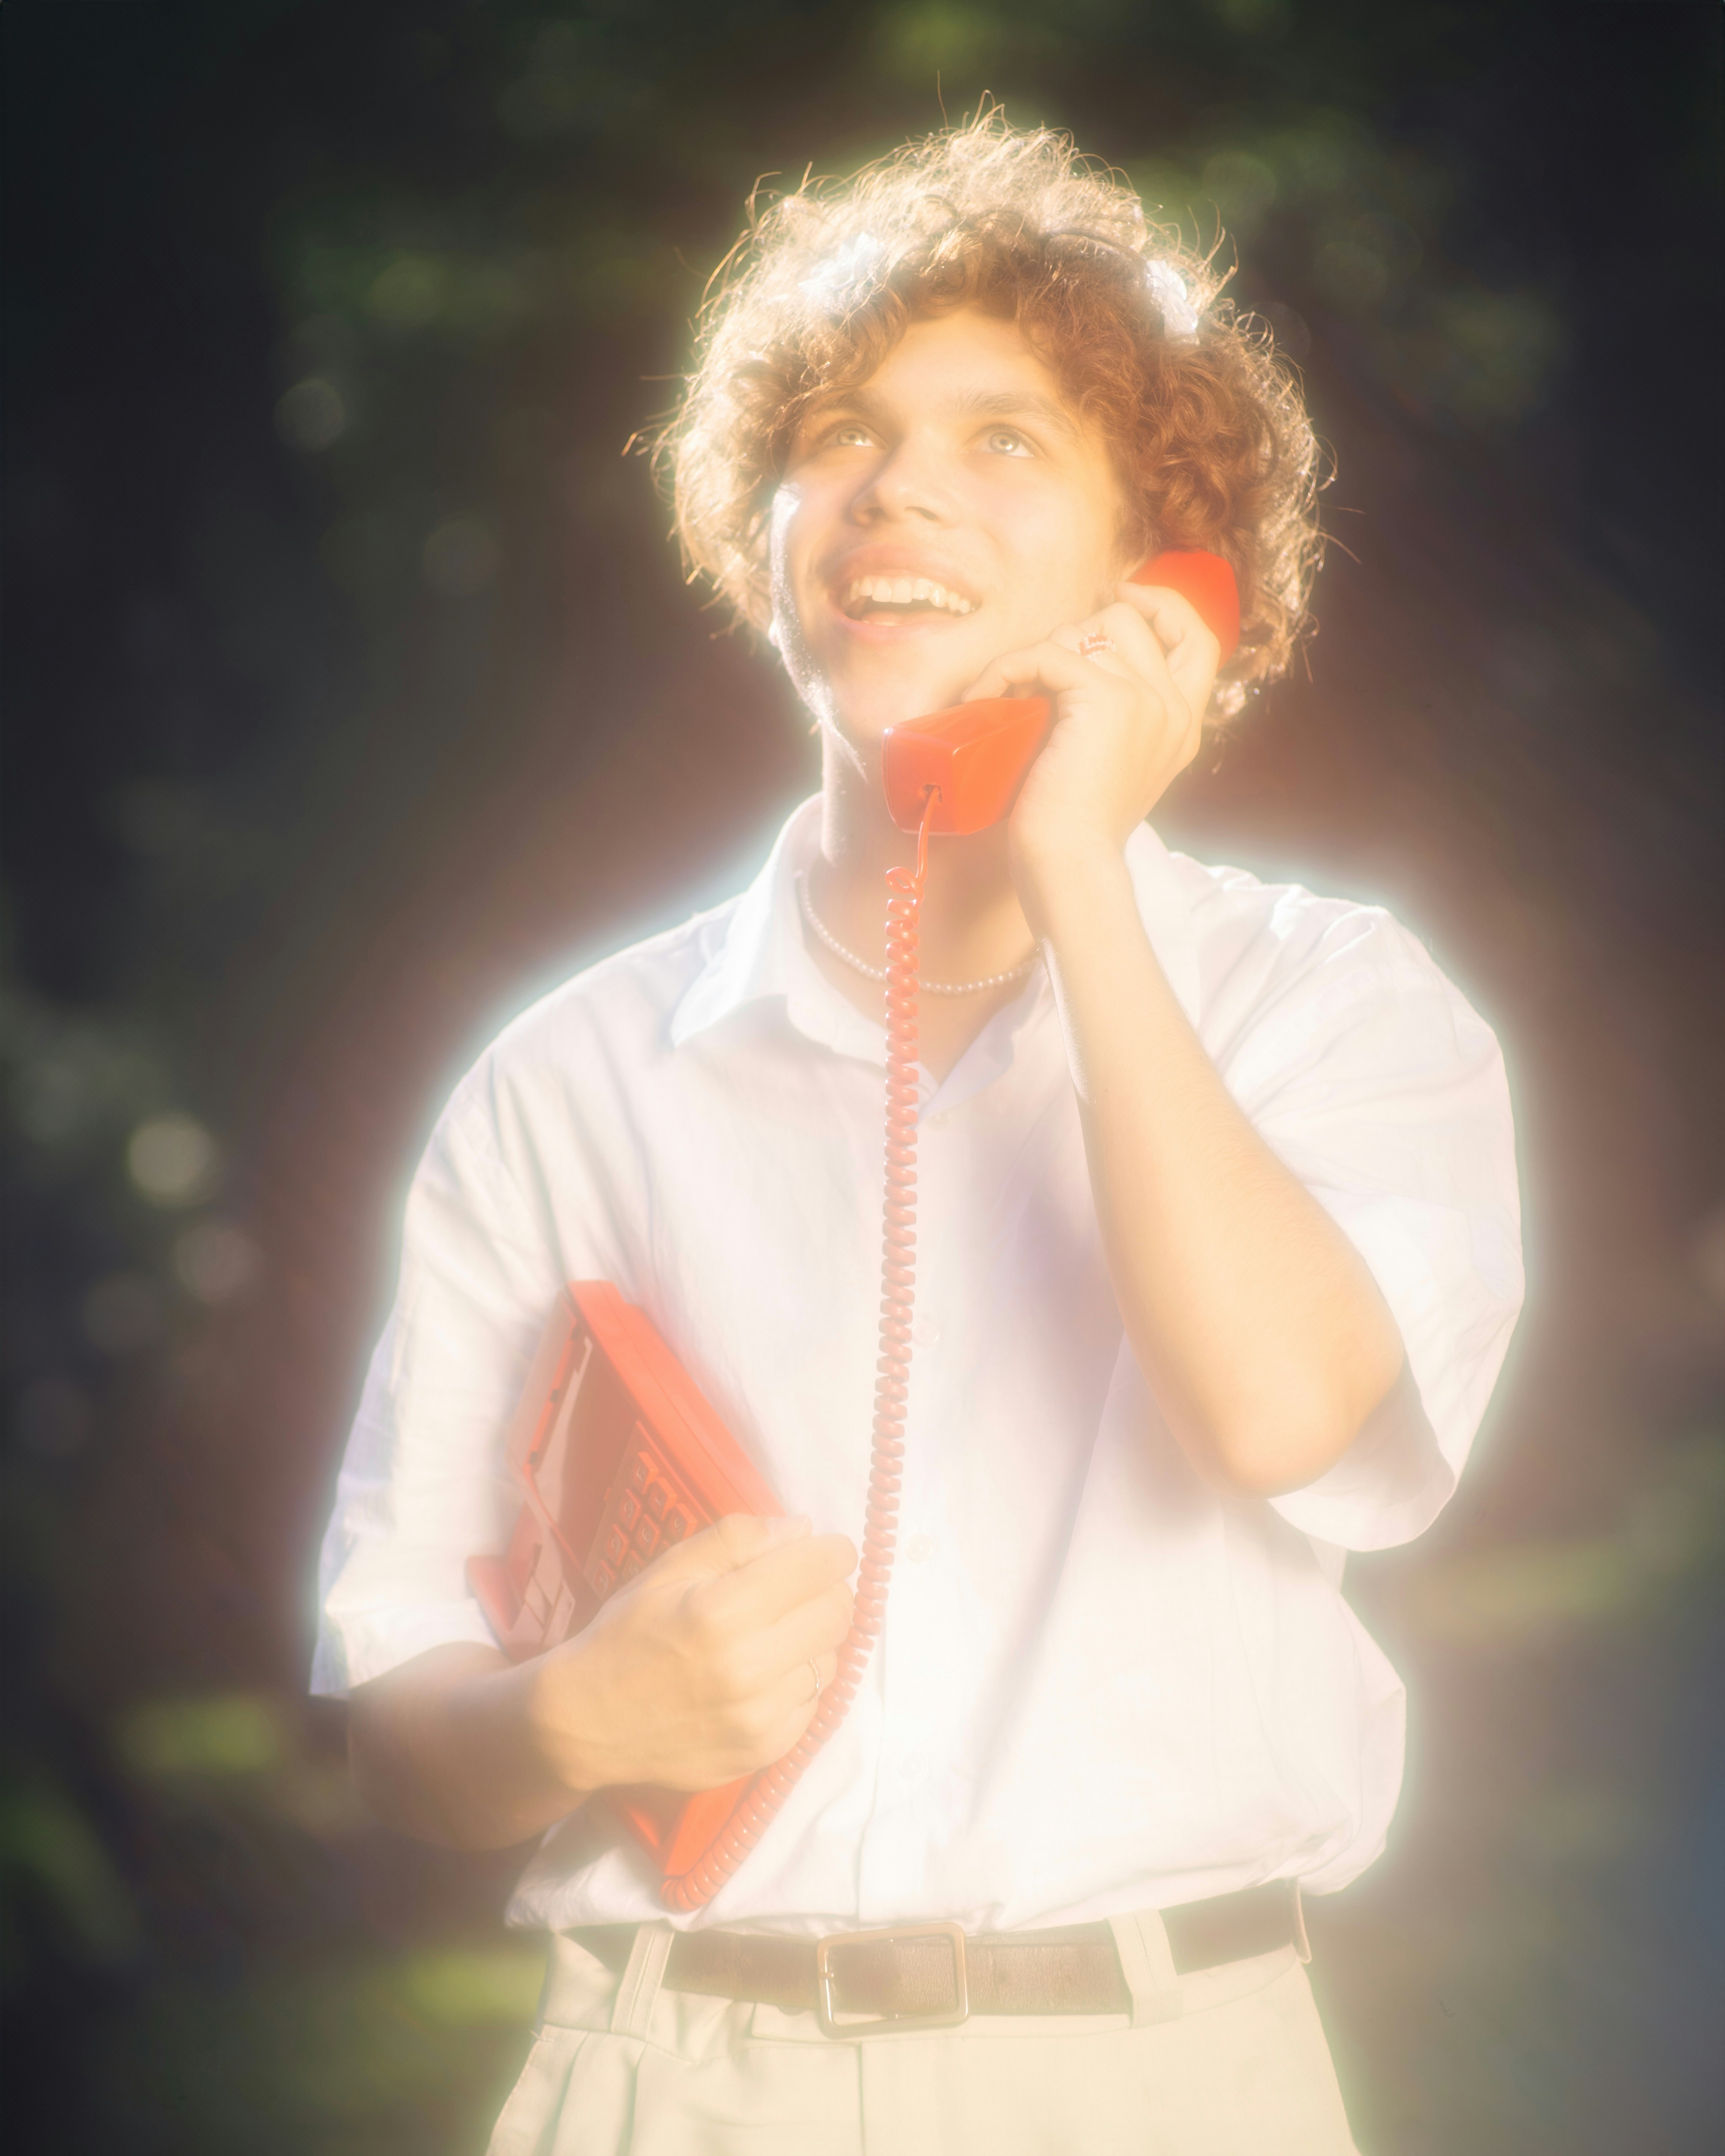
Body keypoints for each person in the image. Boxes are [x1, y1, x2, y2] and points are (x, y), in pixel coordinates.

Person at [311, 116, 1522, 2154]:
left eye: (1006, 442)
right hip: (676, 2078)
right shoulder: (575, 1076)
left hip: (1161, 2083)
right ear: (760, 522)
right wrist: (572, 1718)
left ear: (1165, 573)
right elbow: (393, 1720)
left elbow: (1282, 1414)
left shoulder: (1339, 1005)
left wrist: (1077, 867)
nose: (896, 491)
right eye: (842, 433)